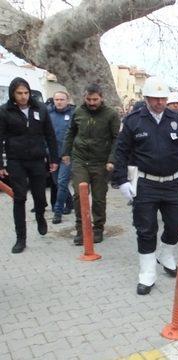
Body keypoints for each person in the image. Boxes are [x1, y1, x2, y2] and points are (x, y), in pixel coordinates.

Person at [112, 77, 178, 295]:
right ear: (146, 98)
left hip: (173, 182)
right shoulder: (133, 121)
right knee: (146, 229)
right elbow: (120, 152)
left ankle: (166, 253)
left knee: (176, 226)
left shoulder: (177, 120)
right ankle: (147, 273)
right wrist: (121, 181)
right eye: (155, 99)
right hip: (146, 183)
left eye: (163, 98)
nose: (159, 102)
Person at [0, 77, 58, 253]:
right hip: (16, 160)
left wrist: (54, 159)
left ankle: (40, 215)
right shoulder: (4, 111)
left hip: (37, 159)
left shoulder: (40, 108)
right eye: (19, 93)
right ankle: (21, 239)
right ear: (13, 94)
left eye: (26, 92)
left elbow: (49, 134)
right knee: (19, 198)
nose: (23, 96)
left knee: (40, 196)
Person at [62, 84, 120, 245]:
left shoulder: (111, 114)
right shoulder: (78, 112)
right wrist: (65, 152)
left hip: (101, 162)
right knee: (79, 195)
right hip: (80, 159)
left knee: (99, 198)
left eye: (95, 99)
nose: (92, 102)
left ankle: (98, 229)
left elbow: (117, 139)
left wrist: (111, 159)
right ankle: (81, 230)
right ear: (84, 98)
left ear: (101, 98)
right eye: (89, 99)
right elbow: (71, 132)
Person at [49, 91, 75, 224]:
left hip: (67, 156)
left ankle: (58, 212)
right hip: (52, 156)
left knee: (62, 182)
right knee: (57, 184)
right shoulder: (49, 114)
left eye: (62, 99)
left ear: (67, 100)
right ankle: (71, 204)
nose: (59, 102)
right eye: (56, 99)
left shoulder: (73, 114)